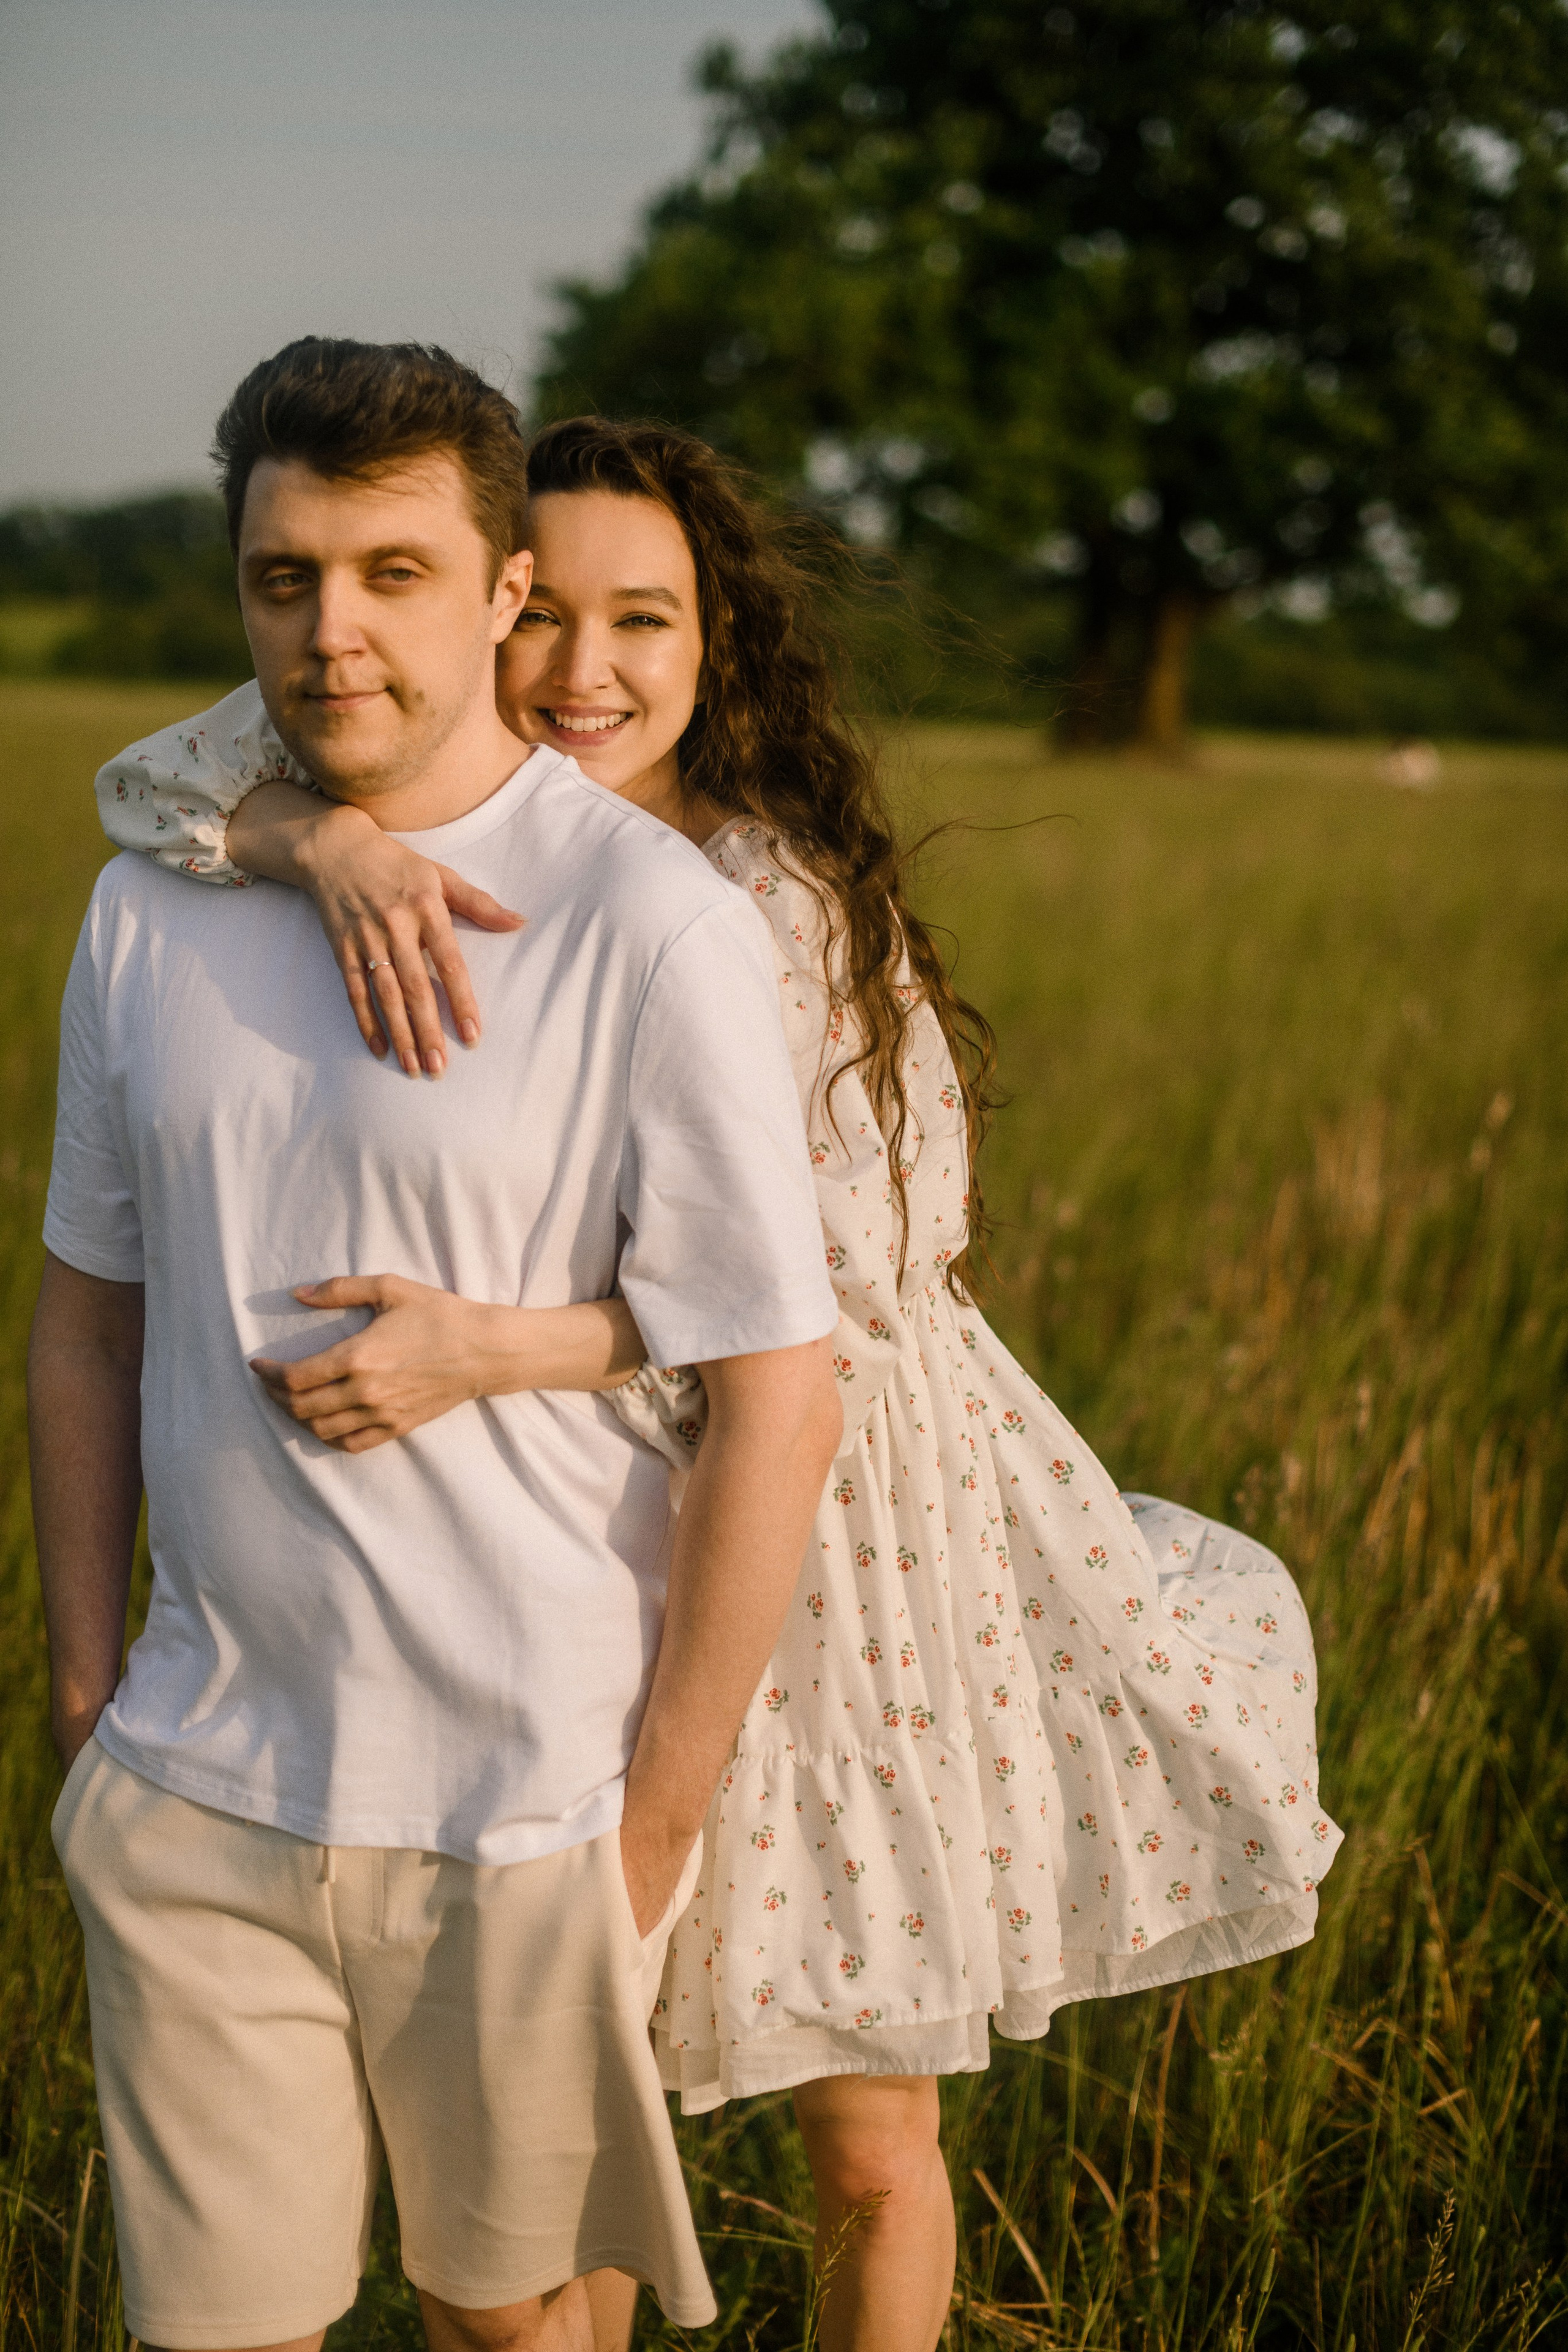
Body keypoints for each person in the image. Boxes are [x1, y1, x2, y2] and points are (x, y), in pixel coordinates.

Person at [97, 415, 1343, 2352]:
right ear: (495, 608)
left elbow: (827, 1314)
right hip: (586, 1551)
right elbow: (152, 781)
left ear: (715, 647)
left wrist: (501, 1343)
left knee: (862, 2116)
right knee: (581, 2142)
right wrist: (315, 831)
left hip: (839, 1547)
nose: (586, 670)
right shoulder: (428, 858)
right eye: (554, 618)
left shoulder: (762, 905)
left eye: (647, 620)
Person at [32, 344, 848, 2352]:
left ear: (502, 589)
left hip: (521, 1803)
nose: (332, 633)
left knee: (519, 2332)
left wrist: (648, 1827)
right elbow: (84, 1319)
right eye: (284, 576)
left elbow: (777, 1389)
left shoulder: (655, 928)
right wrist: (82, 1702)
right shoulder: (156, 904)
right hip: (199, 1781)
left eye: (393, 573)